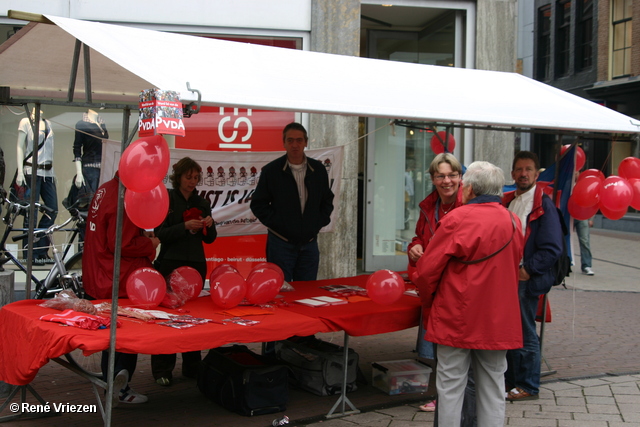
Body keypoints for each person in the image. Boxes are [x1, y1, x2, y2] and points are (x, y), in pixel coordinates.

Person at [414, 161, 524, 427]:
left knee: (450, 386)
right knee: (494, 386)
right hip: (498, 318)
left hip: (457, 314)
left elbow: (428, 270)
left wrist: (428, 300)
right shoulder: (513, 220)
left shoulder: (455, 219)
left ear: (470, 188)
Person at [83, 172, 160, 405]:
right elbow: (121, 244)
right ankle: (120, 387)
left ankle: (112, 384)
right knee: (125, 338)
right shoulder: (124, 199)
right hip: (116, 278)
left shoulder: (106, 188)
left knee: (112, 339)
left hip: (99, 273)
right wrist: (149, 243)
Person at [503, 151, 563, 401]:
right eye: (519, 169)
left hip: (525, 280)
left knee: (525, 333)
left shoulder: (543, 204)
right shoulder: (510, 200)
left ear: (537, 174)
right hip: (509, 279)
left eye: (528, 169)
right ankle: (513, 383)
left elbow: (552, 248)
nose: (523, 174)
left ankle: (529, 386)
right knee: (512, 332)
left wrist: (527, 270)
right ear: (512, 173)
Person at [151, 157, 217, 386]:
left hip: (196, 264)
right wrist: (184, 227)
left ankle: (192, 366)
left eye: (196, 177)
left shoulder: (202, 201)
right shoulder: (167, 198)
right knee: (168, 319)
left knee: (194, 318)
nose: (192, 181)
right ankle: (162, 370)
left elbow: (211, 239)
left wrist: (208, 225)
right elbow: (159, 232)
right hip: (170, 261)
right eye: (188, 177)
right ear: (178, 176)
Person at [407, 153, 464, 412]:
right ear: (432, 178)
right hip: (432, 283)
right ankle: (443, 398)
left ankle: (451, 401)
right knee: (438, 346)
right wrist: (416, 246)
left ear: (460, 177)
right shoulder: (429, 206)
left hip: (456, 286)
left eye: (452, 175)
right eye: (440, 175)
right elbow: (418, 236)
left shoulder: (468, 205)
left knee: (453, 348)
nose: (447, 181)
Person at [250, 122, 334, 282]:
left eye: (299, 140)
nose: (295, 144)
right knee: (281, 291)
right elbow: (258, 204)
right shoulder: (271, 171)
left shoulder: (318, 170)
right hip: (281, 244)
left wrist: (317, 223)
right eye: (290, 140)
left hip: (309, 244)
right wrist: (279, 224)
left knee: (306, 293)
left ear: (306, 142)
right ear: (284, 143)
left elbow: (327, 200)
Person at [15, 110, 57, 264]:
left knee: (52, 210)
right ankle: (29, 254)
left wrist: (54, 174)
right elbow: (20, 147)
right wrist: (20, 171)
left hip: (48, 173)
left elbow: (49, 150)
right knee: (31, 213)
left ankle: (40, 251)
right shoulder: (26, 122)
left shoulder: (48, 123)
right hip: (31, 170)